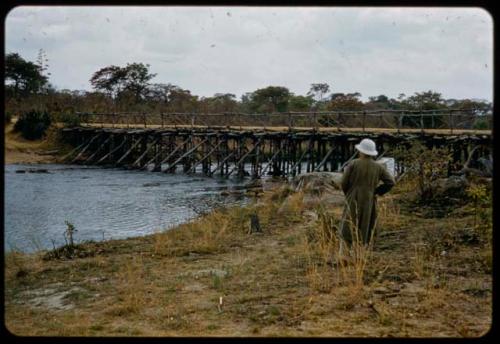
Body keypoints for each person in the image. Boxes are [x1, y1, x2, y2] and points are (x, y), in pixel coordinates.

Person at [339, 138, 395, 248]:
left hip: (353, 196)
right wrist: (377, 191)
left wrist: (348, 193)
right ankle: (362, 249)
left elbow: (343, 182)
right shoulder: (379, 167)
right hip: (369, 198)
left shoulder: (353, 164)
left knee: (349, 222)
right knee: (366, 222)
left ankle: (346, 251)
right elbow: (391, 182)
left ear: (361, 151)